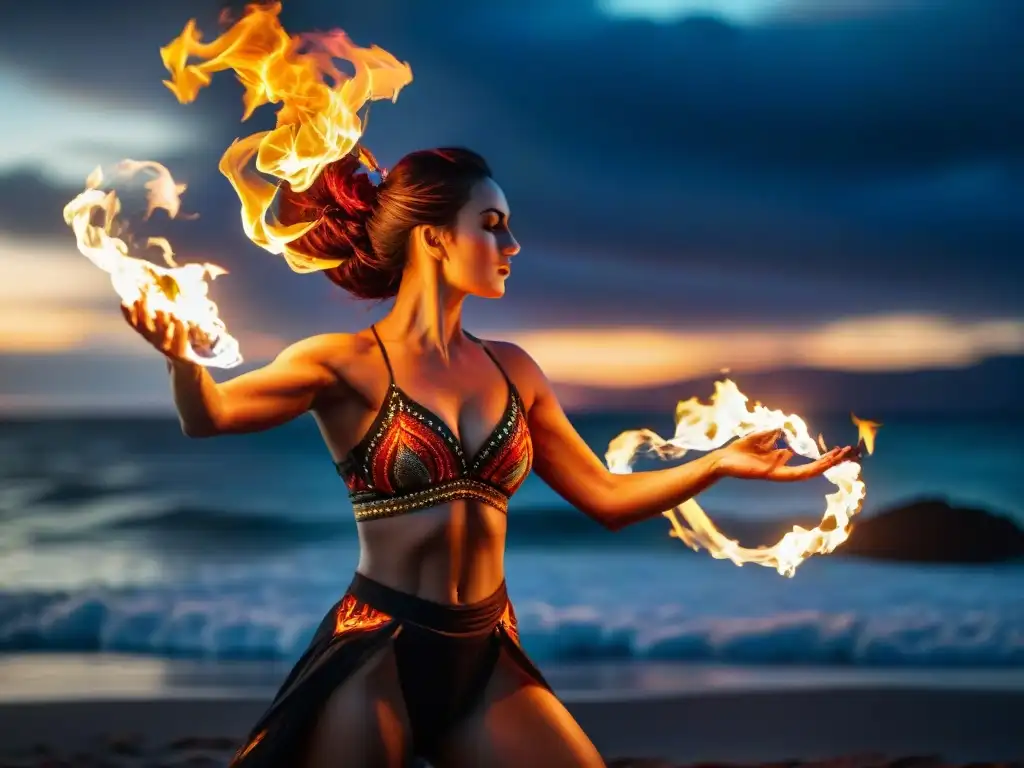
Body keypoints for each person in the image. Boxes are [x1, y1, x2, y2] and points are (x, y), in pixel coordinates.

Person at [121, 147, 858, 768]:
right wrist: (181, 358)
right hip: (374, 651)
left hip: (485, 651)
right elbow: (208, 418)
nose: (512, 246)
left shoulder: (515, 370)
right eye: (493, 226)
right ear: (436, 238)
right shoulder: (341, 362)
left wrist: (720, 463)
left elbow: (604, 499)